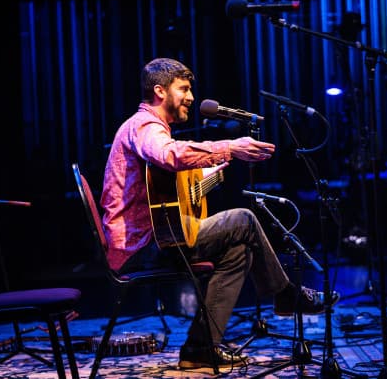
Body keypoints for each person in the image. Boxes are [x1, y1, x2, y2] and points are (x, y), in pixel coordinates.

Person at [100, 57, 339, 369]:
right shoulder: (145, 125)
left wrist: (205, 175)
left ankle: (200, 349)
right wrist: (230, 147)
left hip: (155, 239)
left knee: (239, 251)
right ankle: (285, 294)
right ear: (160, 91)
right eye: (183, 89)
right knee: (244, 219)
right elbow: (167, 155)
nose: (191, 97)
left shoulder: (150, 128)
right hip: (141, 247)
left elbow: (165, 188)